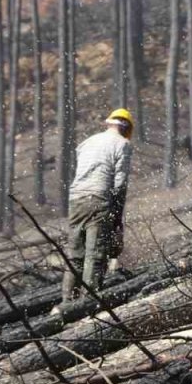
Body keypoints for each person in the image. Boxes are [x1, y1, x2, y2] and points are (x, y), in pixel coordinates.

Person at [62, 108, 133, 303]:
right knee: (96, 254)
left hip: (76, 198)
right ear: (127, 128)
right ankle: (88, 303)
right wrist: (117, 216)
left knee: (75, 255)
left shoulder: (88, 142)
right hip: (99, 198)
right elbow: (120, 184)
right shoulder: (123, 144)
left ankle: (67, 301)